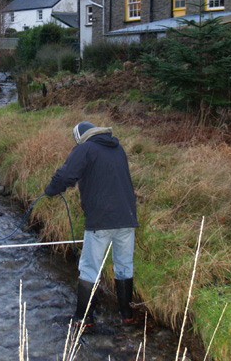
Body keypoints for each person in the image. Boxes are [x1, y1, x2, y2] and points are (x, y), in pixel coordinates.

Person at [44, 121, 139, 326]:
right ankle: (126, 315)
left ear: (80, 137)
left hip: (100, 220)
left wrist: (51, 190)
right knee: (124, 266)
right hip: (127, 217)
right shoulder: (117, 148)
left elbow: (67, 174)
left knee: (89, 268)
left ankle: (83, 318)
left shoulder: (85, 148)